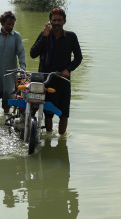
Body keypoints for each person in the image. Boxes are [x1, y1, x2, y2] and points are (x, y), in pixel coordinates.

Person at [29, 7, 82, 135]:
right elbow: (33, 54)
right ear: (50, 21)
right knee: (48, 111)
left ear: (64, 21)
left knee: (64, 113)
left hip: (63, 80)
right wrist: (45, 37)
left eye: (59, 20)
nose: (56, 23)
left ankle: (61, 138)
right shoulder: (44, 35)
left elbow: (78, 57)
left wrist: (68, 69)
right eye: (54, 20)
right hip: (46, 80)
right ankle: (48, 135)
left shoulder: (71, 37)